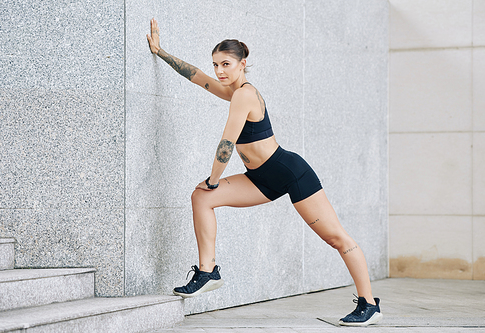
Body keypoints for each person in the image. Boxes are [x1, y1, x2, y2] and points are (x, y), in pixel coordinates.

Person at [146, 18, 383, 326]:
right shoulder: (232, 92)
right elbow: (196, 76)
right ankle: (208, 271)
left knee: (336, 238)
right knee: (201, 198)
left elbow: (226, 144)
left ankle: (369, 303)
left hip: (289, 172)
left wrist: (214, 179)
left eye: (226, 64)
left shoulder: (244, 94)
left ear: (243, 64)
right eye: (216, 64)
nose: (219, 71)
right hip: (260, 179)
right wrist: (161, 52)